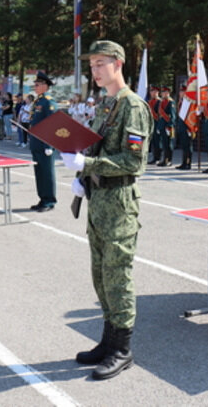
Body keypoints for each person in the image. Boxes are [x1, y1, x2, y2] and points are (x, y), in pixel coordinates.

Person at [60, 40, 153, 381]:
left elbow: (134, 160)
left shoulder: (133, 107)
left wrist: (90, 162)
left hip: (119, 204)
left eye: (100, 63)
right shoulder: (105, 104)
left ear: (118, 64)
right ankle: (108, 341)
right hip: (99, 201)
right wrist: (83, 175)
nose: (94, 70)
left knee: (119, 276)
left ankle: (123, 349)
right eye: (93, 64)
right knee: (101, 275)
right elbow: (97, 145)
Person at [29, 72, 57, 212]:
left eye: (37, 84)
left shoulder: (48, 102)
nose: (35, 86)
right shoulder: (38, 101)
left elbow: (52, 125)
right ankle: (42, 198)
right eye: (35, 84)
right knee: (39, 172)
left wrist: (49, 145)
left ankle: (49, 201)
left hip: (44, 144)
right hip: (36, 142)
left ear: (45, 86)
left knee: (47, 173)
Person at [174, 85, 194, 170]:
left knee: (188, 146)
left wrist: (190, 128)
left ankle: (188, 163)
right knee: (184, 146)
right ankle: (184, 162)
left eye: (182, 92)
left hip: (187, 127)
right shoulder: (181, 102)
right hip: (181, 127)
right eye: (180, 91)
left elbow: (192, 116)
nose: (180, 93)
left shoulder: (189, 103)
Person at [156, 86, 175, 166]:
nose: (164, 94)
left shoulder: (171, 102)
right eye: (163, 92)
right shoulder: (162, 102)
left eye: (166, 92)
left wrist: (169, 126)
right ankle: (164, 159)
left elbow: (172, 116)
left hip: (167, 127)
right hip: (162, 125)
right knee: (164, 144)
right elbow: (160, 115)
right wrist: (159, 127)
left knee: (168, 144)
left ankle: (168, 160)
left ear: (168, 93)